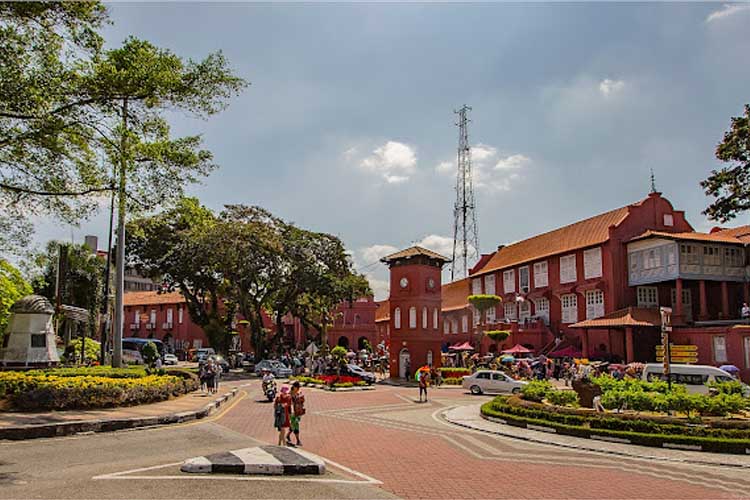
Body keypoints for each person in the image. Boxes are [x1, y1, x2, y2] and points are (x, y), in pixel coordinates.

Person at [287, 381, 305, 446]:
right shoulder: (290, 395)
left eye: (299, 387)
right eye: (297, 387)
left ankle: (288, 435)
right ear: (294, 387)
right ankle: (298, 440)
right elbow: (289, 405)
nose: (298, 389)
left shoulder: (298, 394)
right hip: (292, 413)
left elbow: (301, 402)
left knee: (293, 425)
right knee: (296, 425)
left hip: (298, 412)